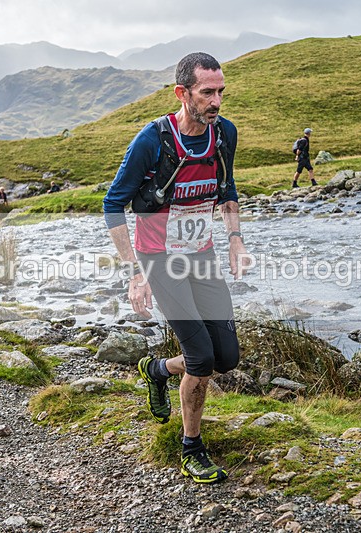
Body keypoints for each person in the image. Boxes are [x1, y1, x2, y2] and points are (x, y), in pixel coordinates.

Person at [103, 52, 250, 484]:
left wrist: (235, 238)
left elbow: (227, 187)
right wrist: (134, 272)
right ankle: (191, 448)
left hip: (201, 256)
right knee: (202, 358)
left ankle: (157, 370)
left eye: (221, 91)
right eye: (208, 92)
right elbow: (113, 204)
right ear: (182, 93)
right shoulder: (153, 140)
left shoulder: (224, 135)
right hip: (159, 261)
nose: (217, 101)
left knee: (227, 357)